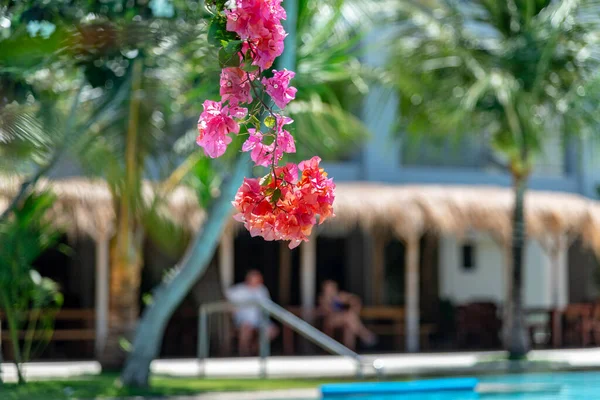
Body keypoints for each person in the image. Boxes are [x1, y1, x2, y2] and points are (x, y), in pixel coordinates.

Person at [226, 270, 279, 356]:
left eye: (258, 280)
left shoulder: (262, 290)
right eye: (254, 280)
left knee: (272, 331)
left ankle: (255, 350)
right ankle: (244, 354)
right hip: (243, 320)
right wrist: (232, 310)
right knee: (246, 329)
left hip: (259, 320)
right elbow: (226, 299)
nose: (256, 282)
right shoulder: (238, 290)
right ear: (248, 280)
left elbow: (268, 305)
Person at [318, 280, 376, 350]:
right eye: (327, 288)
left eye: (331, 288)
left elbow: (355, 300)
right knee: (349, 317)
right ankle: (365, 335)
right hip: (331, 321)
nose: (329, 290)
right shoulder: (323, 298)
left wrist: (354, 310)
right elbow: (328, 311)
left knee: (348, 327)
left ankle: (349, 350)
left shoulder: (340, 295)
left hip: (343, 320)